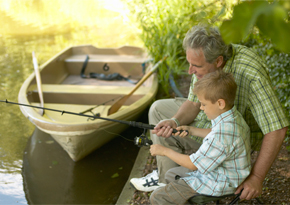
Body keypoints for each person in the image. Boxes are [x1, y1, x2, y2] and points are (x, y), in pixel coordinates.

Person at [130, 24, 289, 200]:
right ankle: (169, 182)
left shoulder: (251, 73)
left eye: (196, 66)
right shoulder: (204, 63)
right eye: (189, 63)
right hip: (214, 123)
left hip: (231, 142)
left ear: (218, 61)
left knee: (161, 195)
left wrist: (256, 177)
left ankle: (173, 192)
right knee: (158, 110)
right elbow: (193, 103)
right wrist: (174, 122)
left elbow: (277, 129)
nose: (190, 71)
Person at [149, 70, 251, 204]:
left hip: (218, 183)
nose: (201, 108)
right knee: (171, 174)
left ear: (220, 103)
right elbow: (214, 131)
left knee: (157, 197)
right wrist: (191, 130)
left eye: (204, 104)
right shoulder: (231, 117)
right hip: (225, 174)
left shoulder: (221, 135)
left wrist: (164, 151)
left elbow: (192, 164)